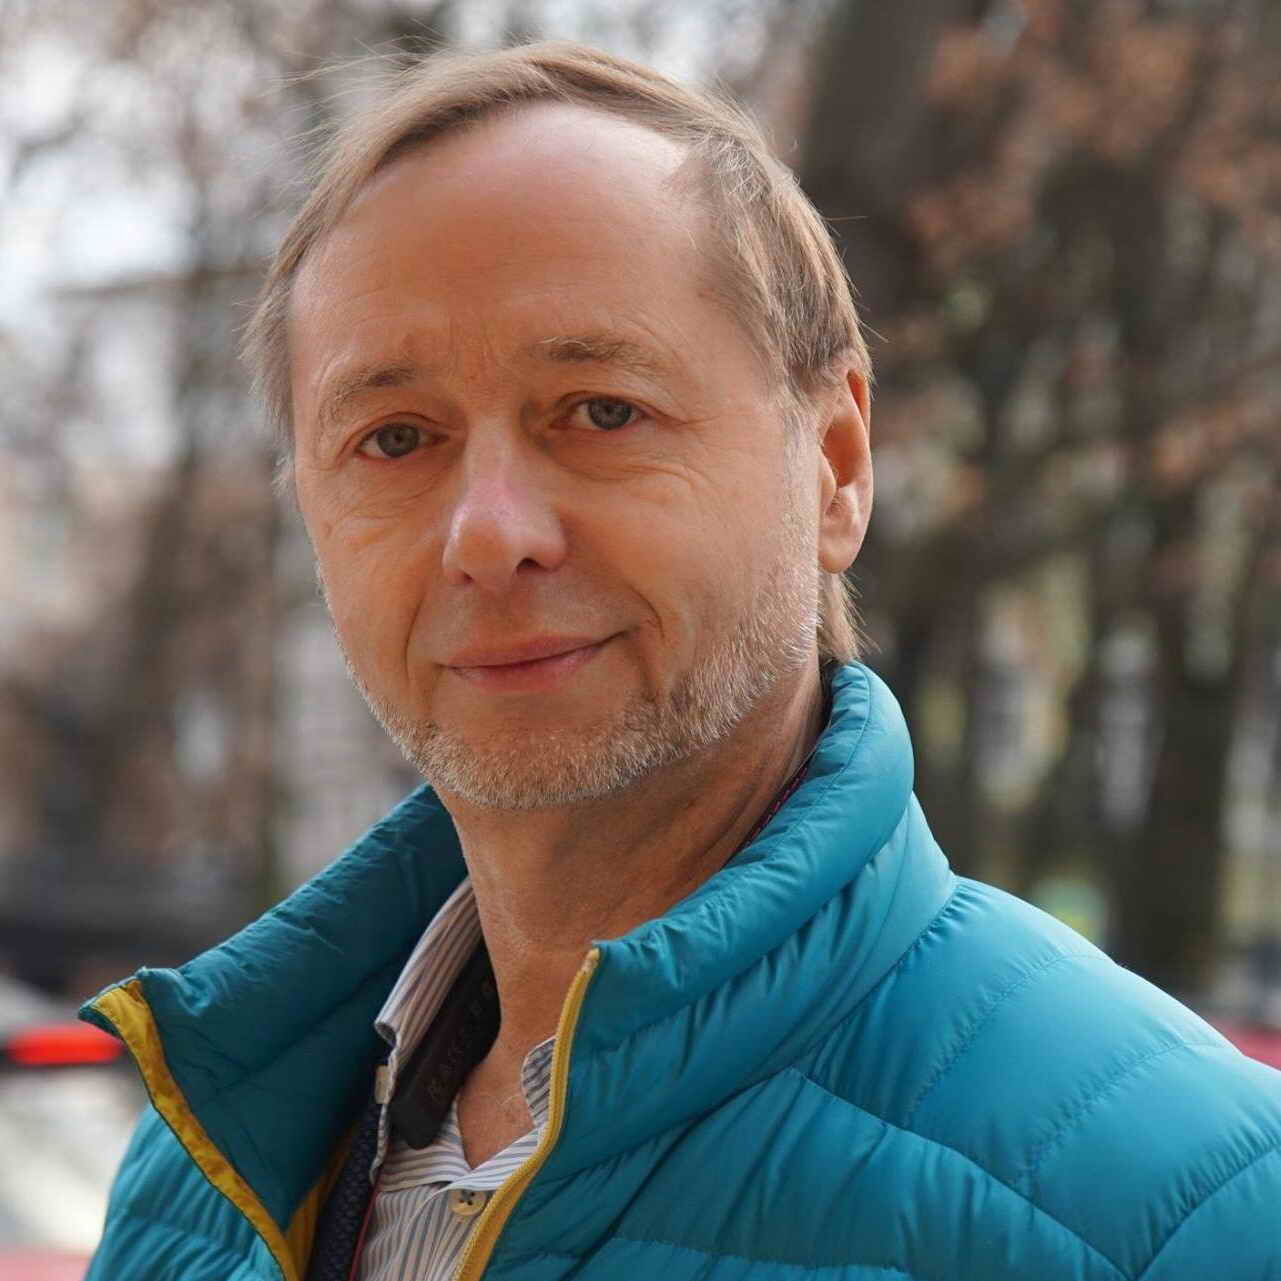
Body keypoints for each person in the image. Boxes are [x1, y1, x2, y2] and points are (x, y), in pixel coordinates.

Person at [83, 41, 1281, 1281]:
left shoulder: (1189, 1211)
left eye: (602, 410)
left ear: (836, 467)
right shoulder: (202, 1185)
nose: (488, 534)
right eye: (395, 439)